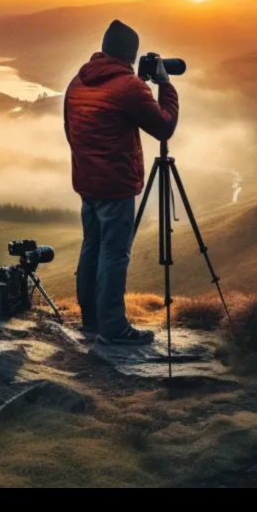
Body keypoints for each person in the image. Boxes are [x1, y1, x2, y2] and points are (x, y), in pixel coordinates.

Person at [63, 19, 179, 345]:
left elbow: (69, 130)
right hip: (115, 185)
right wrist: (166, 86)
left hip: (86, 181)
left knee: (92, 248)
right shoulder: (128, 87)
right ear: (132, 53)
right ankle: (114, 329)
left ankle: (91, 320)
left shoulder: (79, 80)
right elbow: (164, 127)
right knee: (114, 254)